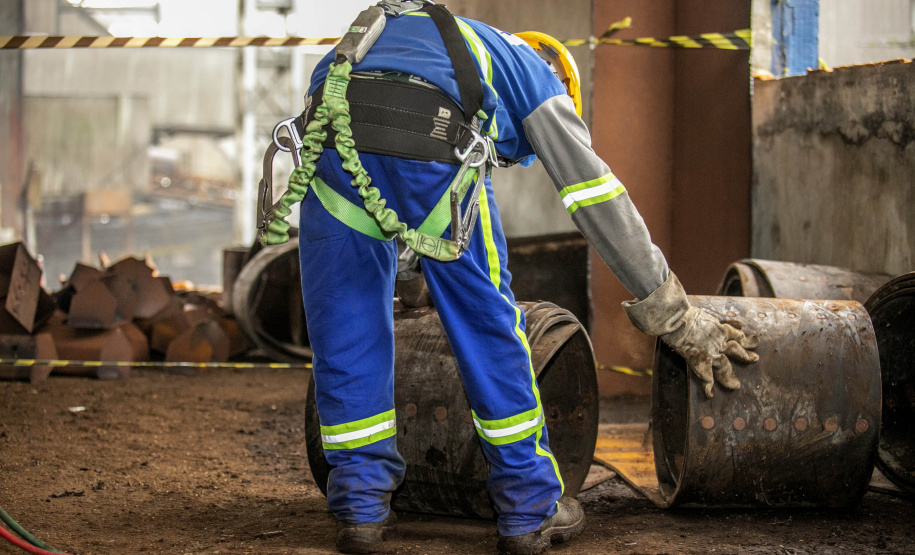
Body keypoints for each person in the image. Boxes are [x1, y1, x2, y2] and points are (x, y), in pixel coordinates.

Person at [279, 1, 759, 553]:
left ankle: (360, 510)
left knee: (346, 325)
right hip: (431, 141)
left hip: (327, 144)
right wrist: (673, 314)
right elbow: (598, 197)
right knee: (487, 327)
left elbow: (380, 162)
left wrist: (408, 274)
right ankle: (529, 507)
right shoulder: (535, 76)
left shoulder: (425, 41)